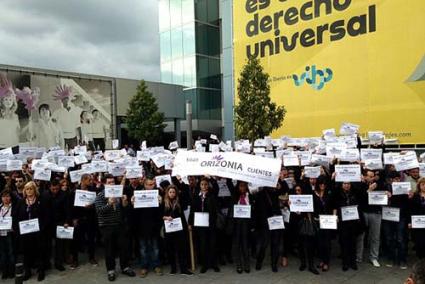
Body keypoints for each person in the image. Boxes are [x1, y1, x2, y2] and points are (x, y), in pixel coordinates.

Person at [94, 174, 135, 281]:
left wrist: (125, 203)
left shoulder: (118, 193)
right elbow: (99, 211)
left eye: (113, 182)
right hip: (106, 226)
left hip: (119, 225)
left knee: (123, 247)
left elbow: (124, 209)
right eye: (109, 182)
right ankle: (111, 270)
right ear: (104, 184)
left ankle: (125, 267)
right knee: (109, 249)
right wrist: (108, 204)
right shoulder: (100, 195)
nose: (112, 184)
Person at [14, 181, 50, 281]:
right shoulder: (21, 202)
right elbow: (15, 216)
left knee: (39, 251)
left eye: (31, 188)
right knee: (26, 252)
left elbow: (46, 216)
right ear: (25, 190)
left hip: (38, 233)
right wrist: (18, 229)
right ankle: (28, 271)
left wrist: (41, 227)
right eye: (27, 189)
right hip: (25, 234)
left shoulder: (41, 201)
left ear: (35, 190)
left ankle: (41, 270)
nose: (29, 191)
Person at [131, 175, 163, 277]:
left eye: (153, 184)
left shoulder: (157, 193)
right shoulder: (138, 194)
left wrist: (161, 203)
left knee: (155, 247)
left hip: (154, 225)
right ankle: (144, 267)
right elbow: (134, 214)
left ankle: (156, 265)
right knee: (143, 248)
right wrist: (133, 204)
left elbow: (161, 212)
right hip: (141, 226)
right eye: (149, 184)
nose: (151, 186)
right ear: (144, 184)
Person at [188, 177, 220, 273]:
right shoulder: (196, 196)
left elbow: (215, 209)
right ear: (200, 186)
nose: (204, 186)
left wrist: (212, 179)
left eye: (206, 184)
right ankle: (205, 265)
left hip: (211, 223)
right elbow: (192, 210)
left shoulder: (212, 195)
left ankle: (214, 264)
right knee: (203, 244)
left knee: (212, 244)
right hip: (200, 224)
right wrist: (190, 223)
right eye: (202, 184)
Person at [161, 185, 192, 275]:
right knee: (170, 249)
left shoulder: (179, 201)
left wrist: (180, 182)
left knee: (181, 249)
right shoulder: (163, 202)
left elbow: (186, 193)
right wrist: (166, 217)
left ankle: (183, 269)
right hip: (169, 229)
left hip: (179, 229)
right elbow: (159, 215)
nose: (172, 194)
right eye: (170, 192)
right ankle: (173, 268)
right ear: (167, 193)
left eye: (174, 192)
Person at [332, 182, 362, 271]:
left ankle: (353, 262)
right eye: (344, 183)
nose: (346, 185)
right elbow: (335, 206)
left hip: (353, 221)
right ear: (341, 185)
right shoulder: (338, 193)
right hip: (342, 221)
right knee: (344, 242)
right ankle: (345, 262)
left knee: (353, 242)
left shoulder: (355, 192)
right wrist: (335, 216)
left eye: (348, 183)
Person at [69, 174, 98, 269]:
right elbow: (71, 207)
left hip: (90, 218)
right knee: (76, 240)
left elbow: (96, 203)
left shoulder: (93, 190)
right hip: (78, 219)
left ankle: (92, 257)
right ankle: (75, 260)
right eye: (89, 180)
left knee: (91, 239)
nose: (91, 182)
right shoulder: (74, 191)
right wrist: (73, 219)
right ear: (83, 180)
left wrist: (91, 206)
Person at [42, 178, 70, 272]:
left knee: (59, 245)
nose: (55, 191)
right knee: (47, 245)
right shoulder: (45, 194)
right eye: (53, 189)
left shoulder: (64, 195)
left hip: (60, 222)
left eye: (57, 189)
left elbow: (67, 209)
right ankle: (47, 263)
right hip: (47, 223)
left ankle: (58, 263)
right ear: (50, 187)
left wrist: (66, 221)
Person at [383, 171, 409, 269]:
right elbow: (377, 198)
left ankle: (402, 260)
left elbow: (407, 203)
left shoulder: (404, 188)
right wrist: (385, 195)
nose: (396, 181)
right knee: (389, 238)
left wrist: (409, 195)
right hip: (388, 216)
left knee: (400, 238)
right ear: (390, 180)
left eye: (398, 179)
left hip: (400, 216)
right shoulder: (385, 188)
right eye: (394, 179)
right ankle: (391, 258)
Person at [228, 180, 252, 273]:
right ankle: (239, 265)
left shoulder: (250, 196)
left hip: (246, 224)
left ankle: (247, 264)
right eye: (240, 186)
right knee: (237, 245)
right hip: (236, 224)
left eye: (244, 186)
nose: (242, 188)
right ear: (238, 187)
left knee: (246, 245)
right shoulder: (234, 196)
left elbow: (253, 210)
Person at [51, 85, 82, 150]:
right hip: (62, 137)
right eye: (64, 99)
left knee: (74, 153)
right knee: (62, 153)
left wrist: (81, 138)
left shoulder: (75, 111)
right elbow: (51, 123)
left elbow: (78, 125)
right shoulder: (57, 112)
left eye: (67, 98)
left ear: (69, 99)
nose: (66, 100)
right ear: (62, 101)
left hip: (73, 137)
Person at [0, 74, 20, 148]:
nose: (8, 102)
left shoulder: (15, 116)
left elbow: (18, 133)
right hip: (1, 147)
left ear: (13, 102)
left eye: (10, 100)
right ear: (2, 101)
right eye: (6, 99)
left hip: (14, 146)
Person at [0, 190, 16, 279]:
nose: (6, 198)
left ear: (10, 197)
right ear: (1, 198)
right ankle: (4, 272)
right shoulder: (0, 207)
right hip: (1, 234)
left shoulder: (14, 207)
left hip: (10, 233)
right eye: (4, 196)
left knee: (11, 253)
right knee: (2, 253)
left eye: (7, 196)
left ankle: (11, 272)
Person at [409, 177, 425, 259]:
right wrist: (410, 222)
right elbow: (411, 210)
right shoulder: (415, 196)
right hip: (417, 223)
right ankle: (420, 260)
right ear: (419, 186)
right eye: (423, 184)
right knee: (419, 243)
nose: (424, 186)